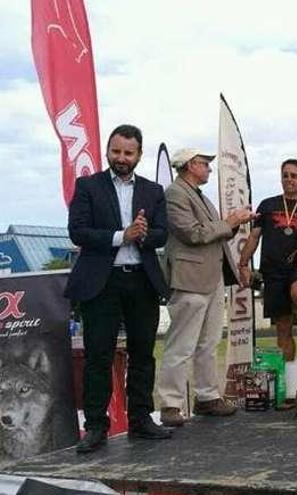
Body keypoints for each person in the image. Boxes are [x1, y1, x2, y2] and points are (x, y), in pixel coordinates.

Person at [65, 124, 171, 453]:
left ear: (139, 154)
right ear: (108, 151)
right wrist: (119, 236)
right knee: (99, 356)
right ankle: (96, 426)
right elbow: (78, 231)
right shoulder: (88, 186)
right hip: (102, 281)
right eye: (116, 151)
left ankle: (141, 419)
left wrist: (141, 234)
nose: (121, 158)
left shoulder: (153, 192)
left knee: (143, 354)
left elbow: (162, 234)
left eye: (128, 153)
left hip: (142, 280)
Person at [156, 148, 256, 427]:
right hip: (190, 278)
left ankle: (207, 395)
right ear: (190, 165)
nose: (209, 169)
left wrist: (234, 223)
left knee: (209, 343)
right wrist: (230, 223)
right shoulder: (175, 194)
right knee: (182, 344)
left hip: (211, 277)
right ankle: (171, 403)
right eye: (204, 164)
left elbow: (214, 232)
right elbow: (193, 233)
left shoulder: (198, 195)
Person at [239, 159, 297, 363]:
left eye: (294, 176)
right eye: (285, 175)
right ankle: (287, 373)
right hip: (273, 270)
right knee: (283, 325)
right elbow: (254, 236)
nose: (289, 179)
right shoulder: (268, 205)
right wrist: (243, 263)